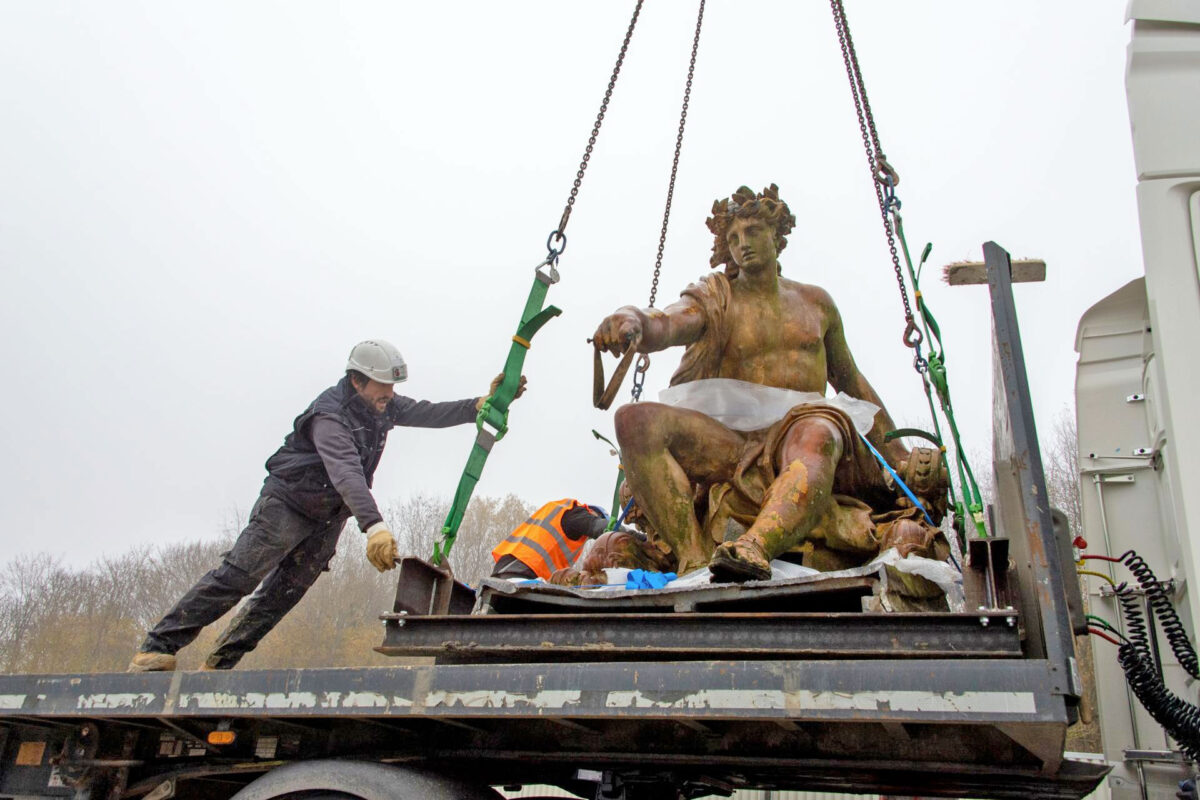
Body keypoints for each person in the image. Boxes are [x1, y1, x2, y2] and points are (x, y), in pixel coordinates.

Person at [591, 184, 946, 583]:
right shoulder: (716, 298)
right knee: (634, 420)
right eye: (733, 238)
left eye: (753, 232)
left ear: (777, 236)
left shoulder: (816, 304)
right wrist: (631, 318)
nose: (743, 245)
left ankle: (755, 547)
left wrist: (895, 453)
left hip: (804, 429)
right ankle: (693, 559)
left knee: (816, 430)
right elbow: (670, 321)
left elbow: (850, 382)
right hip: (731, 439)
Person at [129, 339, 524, 672]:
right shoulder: (330, 416)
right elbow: (346, 472)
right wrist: (375, 526)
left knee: (283, 594)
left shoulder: (379, 405)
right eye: (381, 386)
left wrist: (478, 404)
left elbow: (427, 412)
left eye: (392, 387)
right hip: (288, 503)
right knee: (240, 576)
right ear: (356, 381)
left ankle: (219, 664)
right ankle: (157, 648)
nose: (389, 395)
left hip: (329, 515)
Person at [490, 499, 610, 581]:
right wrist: (623, 534)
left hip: (517, 570)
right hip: (522, 569)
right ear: (592, 512)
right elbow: (598, 526)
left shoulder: (562, 515)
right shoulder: (575, 512)